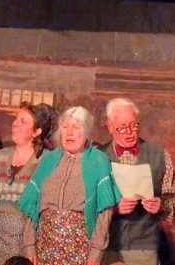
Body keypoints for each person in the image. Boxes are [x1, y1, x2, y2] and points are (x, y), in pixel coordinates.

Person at [18, 106, 122, 265]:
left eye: (76, 127)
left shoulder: (98, 160)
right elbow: (31, 207)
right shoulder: (48, 160)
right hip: (44, 246)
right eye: (65, 127)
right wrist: (29, 245)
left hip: (80, 249)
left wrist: (96, 252)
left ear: (86, 132)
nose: (69, 132)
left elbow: (104, 213)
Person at [97, 98, 175, 265]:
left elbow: (173, 199)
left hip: (143, 246)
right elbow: (83, 202)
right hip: (104, 245)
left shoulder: (158, 154)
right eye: (122, 128)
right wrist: (112, 208)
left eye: (133, 125)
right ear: (110, 127)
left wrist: (161, 205)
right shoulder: (97, 157)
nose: (129, 132)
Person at [0, 103, 54, 265]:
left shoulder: (47, 160)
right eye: (16, 119)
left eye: (23, 121)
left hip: (29, 239)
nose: (15, 124)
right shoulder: (1, 156)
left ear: (37, 131)